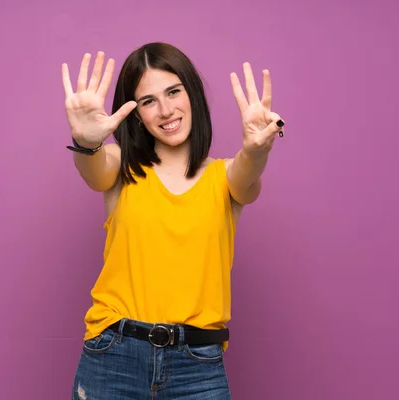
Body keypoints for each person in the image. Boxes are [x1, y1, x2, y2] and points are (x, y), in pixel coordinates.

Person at [61, 42, 284, 399]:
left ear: (191, 92)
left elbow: (248, 172)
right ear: (136, 114)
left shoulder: (226, 176)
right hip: (113, 356)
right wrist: (86, 143)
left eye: (173, 91)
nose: (166, 110)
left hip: (197, 366)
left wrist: (256, 151)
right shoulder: (122, 166)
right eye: (148, 101)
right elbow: (94, 171)